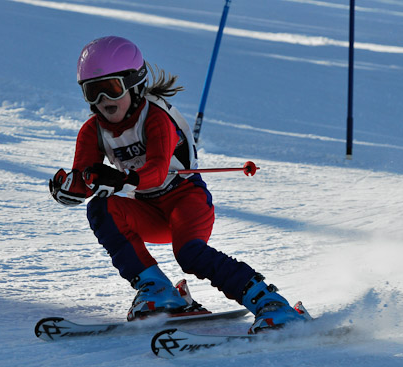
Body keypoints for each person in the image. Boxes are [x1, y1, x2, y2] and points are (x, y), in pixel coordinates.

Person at [49, 36, 311, 333]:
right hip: (147, 208)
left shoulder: (155, 117)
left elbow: (158, 171)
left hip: (186, 200)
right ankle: (157, 290)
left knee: (190, 254)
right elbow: (85, 177)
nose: (102, 101)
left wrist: (121, 178)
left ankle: (270, 302)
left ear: (134, 84)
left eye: (110, 89)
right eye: (91, 92)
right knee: (101, 208)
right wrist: (70, 188)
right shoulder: (92, 130)